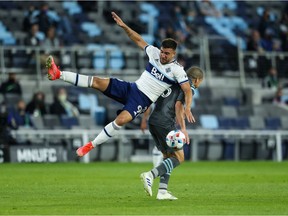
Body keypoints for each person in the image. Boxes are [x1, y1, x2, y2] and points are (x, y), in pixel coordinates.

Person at [46, 11, 194, 157]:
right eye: (162, 51)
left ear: (173, 54)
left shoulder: (177, 71)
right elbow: (137, 39)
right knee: (97, 81)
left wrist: (187, 108)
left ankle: (91, 145)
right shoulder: (154, 53)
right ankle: (58, 74)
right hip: (131, 88)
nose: (162, 55)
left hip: (142, 100)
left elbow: (187, 91)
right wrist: (124, 26)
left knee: (121, 120)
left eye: (166, 53)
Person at [140, 66, 204, 200]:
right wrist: (184, 129)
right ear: (197, 80)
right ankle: (150, 175)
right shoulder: (189, 87)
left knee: (168, 155)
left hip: (153, 121)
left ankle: (162, 191)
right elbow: (178, 106)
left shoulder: (173, 82)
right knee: (179, 157)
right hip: (165, 122)